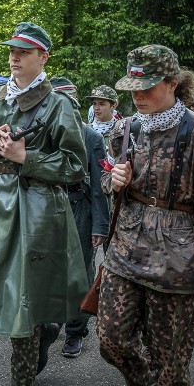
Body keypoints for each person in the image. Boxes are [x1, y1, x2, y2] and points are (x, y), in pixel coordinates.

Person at [0, 22, 88, 386]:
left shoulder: (58, 104)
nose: (14, 56)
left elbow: (76, 167)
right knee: (7, 294)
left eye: (24, 52)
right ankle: (43, 331)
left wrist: (29, 157)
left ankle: (22, 376)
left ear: (43, 57)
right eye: (12, 50)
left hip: (39, 209)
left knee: (25, 301)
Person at [97, 44, 194, 386]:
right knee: (111, 340)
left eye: (147, 88)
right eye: (133, 88)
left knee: (169, 365)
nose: (138, 96)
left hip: (179, 262)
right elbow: (105, 179)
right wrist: (112, 182)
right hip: (125, 253)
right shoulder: (124, 129)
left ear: (172, 83)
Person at [50, 76, 111, 358]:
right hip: (48, 210)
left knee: (79, 273)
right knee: (46, 268)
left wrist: (100, 225)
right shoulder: (43, 134)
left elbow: (100, 187)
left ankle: (75, 331)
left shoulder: (92, 137)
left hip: (79, 209)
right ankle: (48, 323)